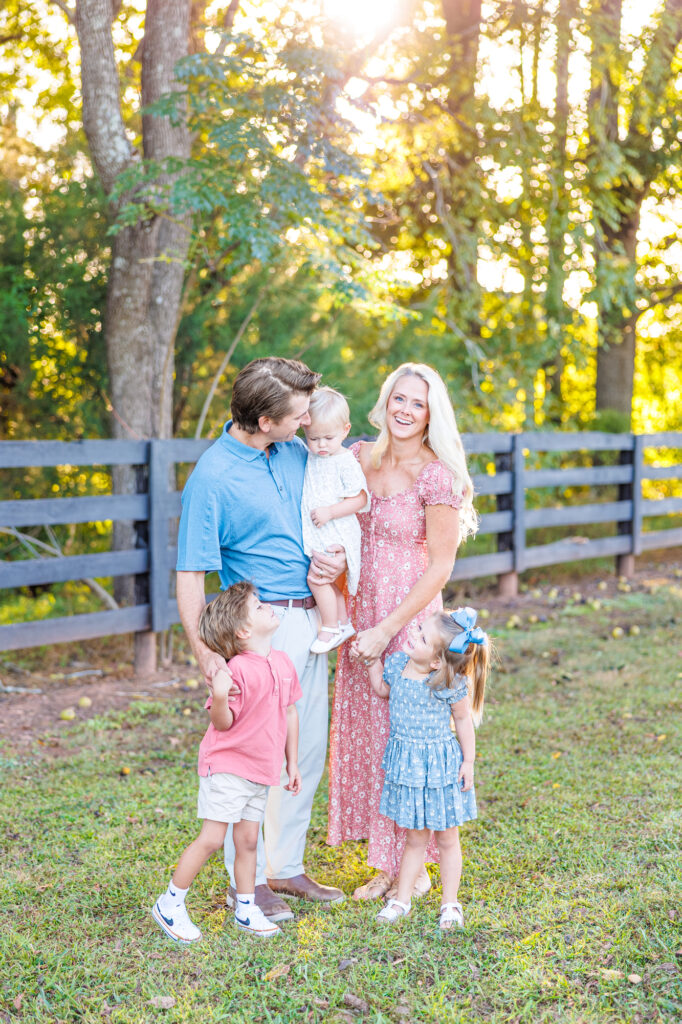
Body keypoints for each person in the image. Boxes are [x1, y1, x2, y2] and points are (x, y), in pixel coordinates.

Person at [176, 357, 346, 923]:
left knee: (305, 749)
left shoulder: (294, 449)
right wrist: (208, 659)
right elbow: (189, 577)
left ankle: (285, 866)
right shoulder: (212, 479)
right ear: (265, 420)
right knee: (253, 759)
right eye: (298, 415)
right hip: (259, 634)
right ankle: (243, 884)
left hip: (313, 622)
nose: (306, 423)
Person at [327, 362, 478, 900]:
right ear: (385, 400)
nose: (406, 410)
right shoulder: (356, 457)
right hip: (359, 609)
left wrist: (386, 629)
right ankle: (387, 860)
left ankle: (410, 867)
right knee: (370, 735)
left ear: (432, 414)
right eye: (399, 398)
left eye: (419, 403)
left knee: (406, 735)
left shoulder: (437, 476)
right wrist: (330, 565)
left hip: (406, 619)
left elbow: (440, 566)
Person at [152, 582, 302, 942]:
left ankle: (246, 908)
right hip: (228, 767)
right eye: (258, 605)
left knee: (248, 841)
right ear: (244, 631)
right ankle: (170, 903)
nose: (268, 606)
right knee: (212, 839)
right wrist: (219, 696)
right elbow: (222, 723)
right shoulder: (236, 671)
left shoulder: (282, 662)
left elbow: (290, 712)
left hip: (261, 770)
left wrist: (292, 763)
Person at [368, 607, 489, 930]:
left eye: (422, 637)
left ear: (436, 661)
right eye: (418, 628)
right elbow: (382, 690)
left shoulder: (445, 681)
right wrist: (372, 661)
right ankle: (401, 900)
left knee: (447, 838)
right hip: (409, 767)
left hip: (440, 768)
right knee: (415, 838)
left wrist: (468, 762)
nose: (413, 634)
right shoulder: (397, 664)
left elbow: (462, 720)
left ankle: (450, 903)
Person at [301, 386, 370, 654]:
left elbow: (360, 499)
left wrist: (330, 511)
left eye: (328, 438)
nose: (321, 445)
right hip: (323, 529)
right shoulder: (313, 456)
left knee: (317, 579)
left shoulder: (345, 461)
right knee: (326, 580)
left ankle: (329, 627)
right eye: (313, 438)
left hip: (337, 529)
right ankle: (342, 622)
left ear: (345, 430)